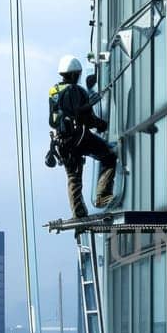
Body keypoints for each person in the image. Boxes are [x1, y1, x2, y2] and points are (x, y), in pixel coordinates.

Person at [46, 56, 116, 218]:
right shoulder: (76, 91)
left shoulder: (54, 91)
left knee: (73, 179)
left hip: (62, 143)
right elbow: (86, 118)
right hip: (80, 138)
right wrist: (101, 125)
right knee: (109, 156)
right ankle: (102, 196)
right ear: (74, 74)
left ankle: (79, 214)